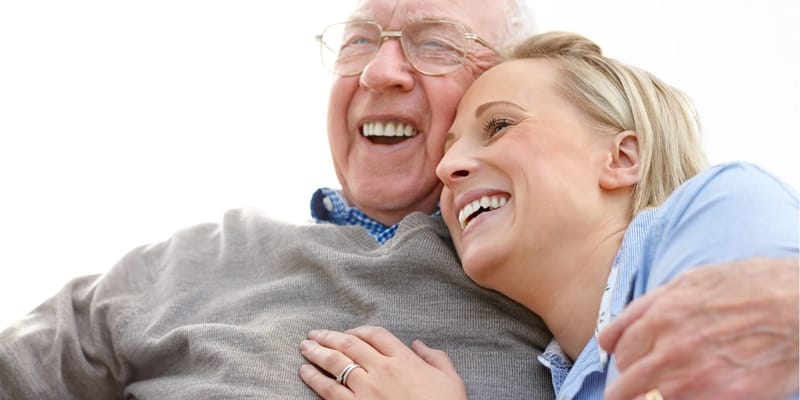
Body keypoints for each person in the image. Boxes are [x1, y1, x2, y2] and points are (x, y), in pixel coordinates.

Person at [0, 0, 796, 399]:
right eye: (358, 40)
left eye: (434, 42)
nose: (380, 72)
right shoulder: (195, 259)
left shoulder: (656, 255)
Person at [297, 31, 800, 400]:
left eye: (499, 125)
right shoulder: (567, 380)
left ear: (622, 158)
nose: (447, 168)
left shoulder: (717, 209)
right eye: (447, 150)